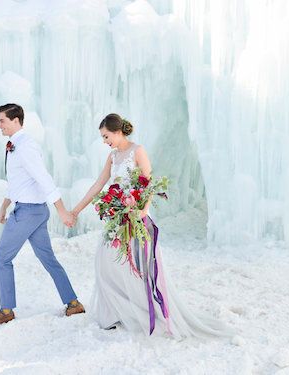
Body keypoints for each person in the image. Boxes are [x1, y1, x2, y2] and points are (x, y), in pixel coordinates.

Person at [71, 113, 233, 339]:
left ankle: (141, 311)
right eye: (102, 137)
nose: (104, 141)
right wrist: (77, 209)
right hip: (118, 216)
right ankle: (116, 312)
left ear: (117, 132)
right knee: (104, 263)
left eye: (106, 136)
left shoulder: (138, 150)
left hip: (136, 216)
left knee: (135, 267)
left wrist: (143, 210)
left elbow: (149, 182)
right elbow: (99, 184)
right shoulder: (112, 156)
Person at [0, 103, 85, 325]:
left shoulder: (25, 146)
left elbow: (43, 179)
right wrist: (4, 206)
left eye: (2, 120)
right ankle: (73, 303)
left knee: (1, 257)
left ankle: (6, 310)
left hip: (27, 213)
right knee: (48, 259)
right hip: (34, 211)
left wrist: (63, 211)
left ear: (16, 121)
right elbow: (18, 181)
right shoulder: (15, 145)